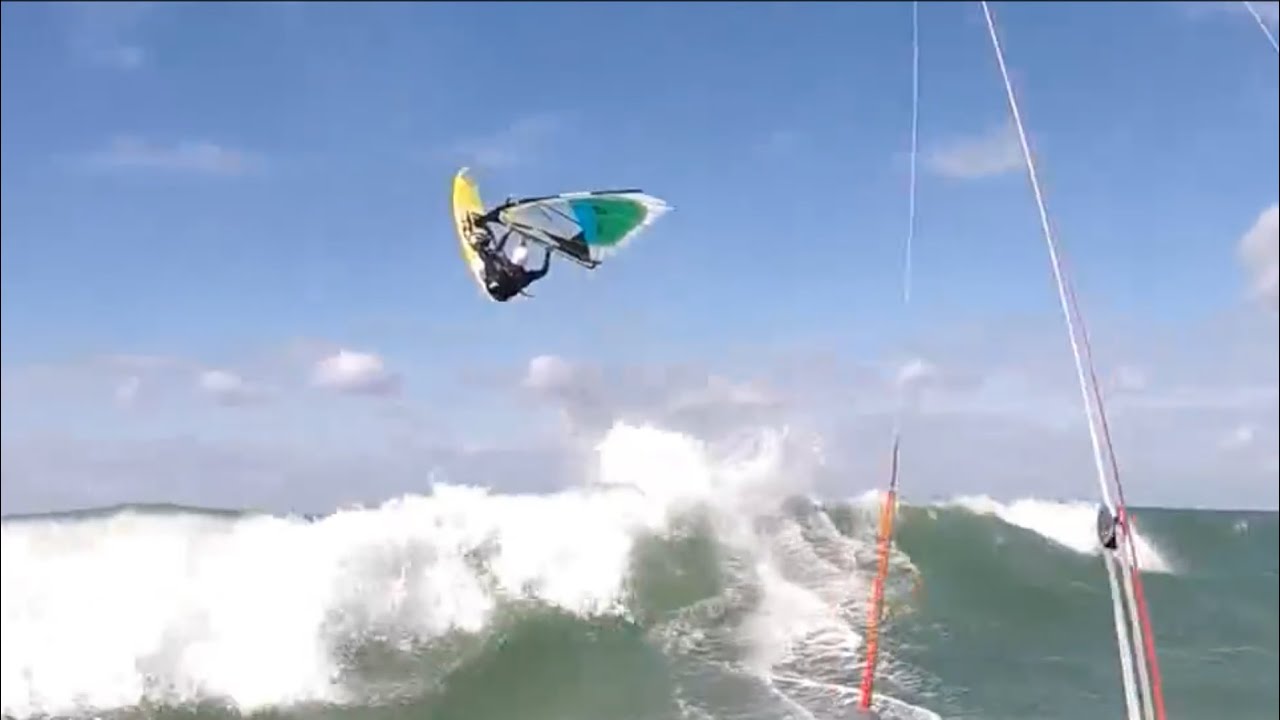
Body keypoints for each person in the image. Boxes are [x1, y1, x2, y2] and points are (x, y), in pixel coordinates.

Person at [468, 211, 551, 302]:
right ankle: (485, 241)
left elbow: (543, 272)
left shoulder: (525, 278)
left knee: (493, 258)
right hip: (500, 285)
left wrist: (548, 254)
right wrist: (509, 232)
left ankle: (479, 247)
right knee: (498, 255)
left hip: (499, 292)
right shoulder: (514, 268)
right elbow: (501, 247)